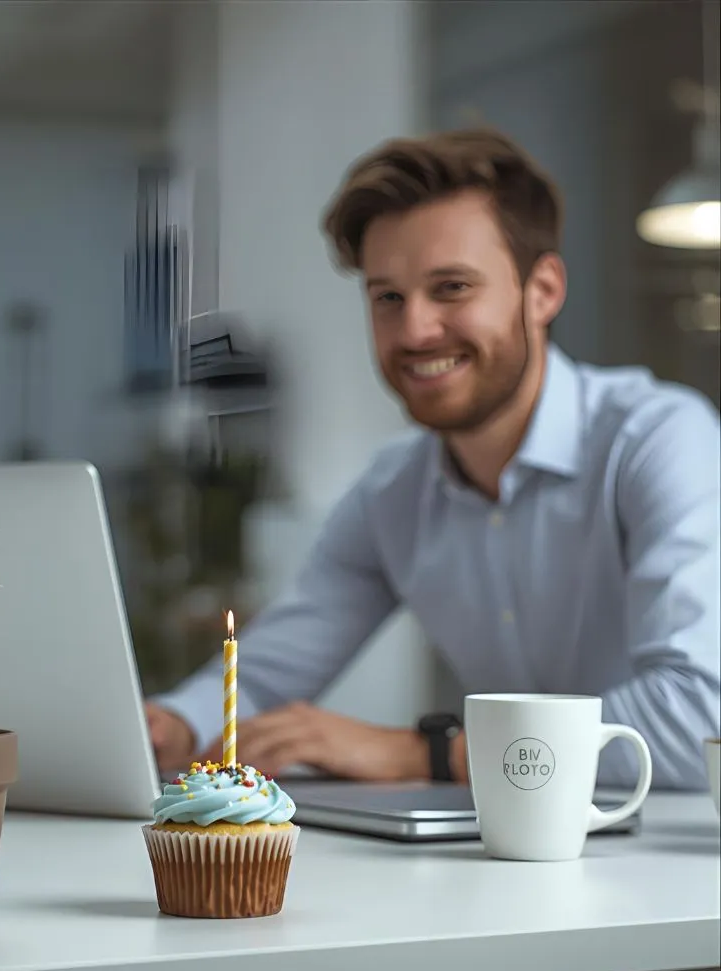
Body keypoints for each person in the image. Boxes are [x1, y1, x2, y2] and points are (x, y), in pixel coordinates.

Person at [146, 127, 720, 792]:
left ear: (543, 291)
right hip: (505, 861)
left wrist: (431, 754)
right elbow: (274, 671)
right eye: (387, 297)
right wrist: (173, 724)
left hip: (677, 873)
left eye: (451, 288)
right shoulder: (395, 490)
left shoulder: (657, 440)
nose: (415, 330)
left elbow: (701, 717)